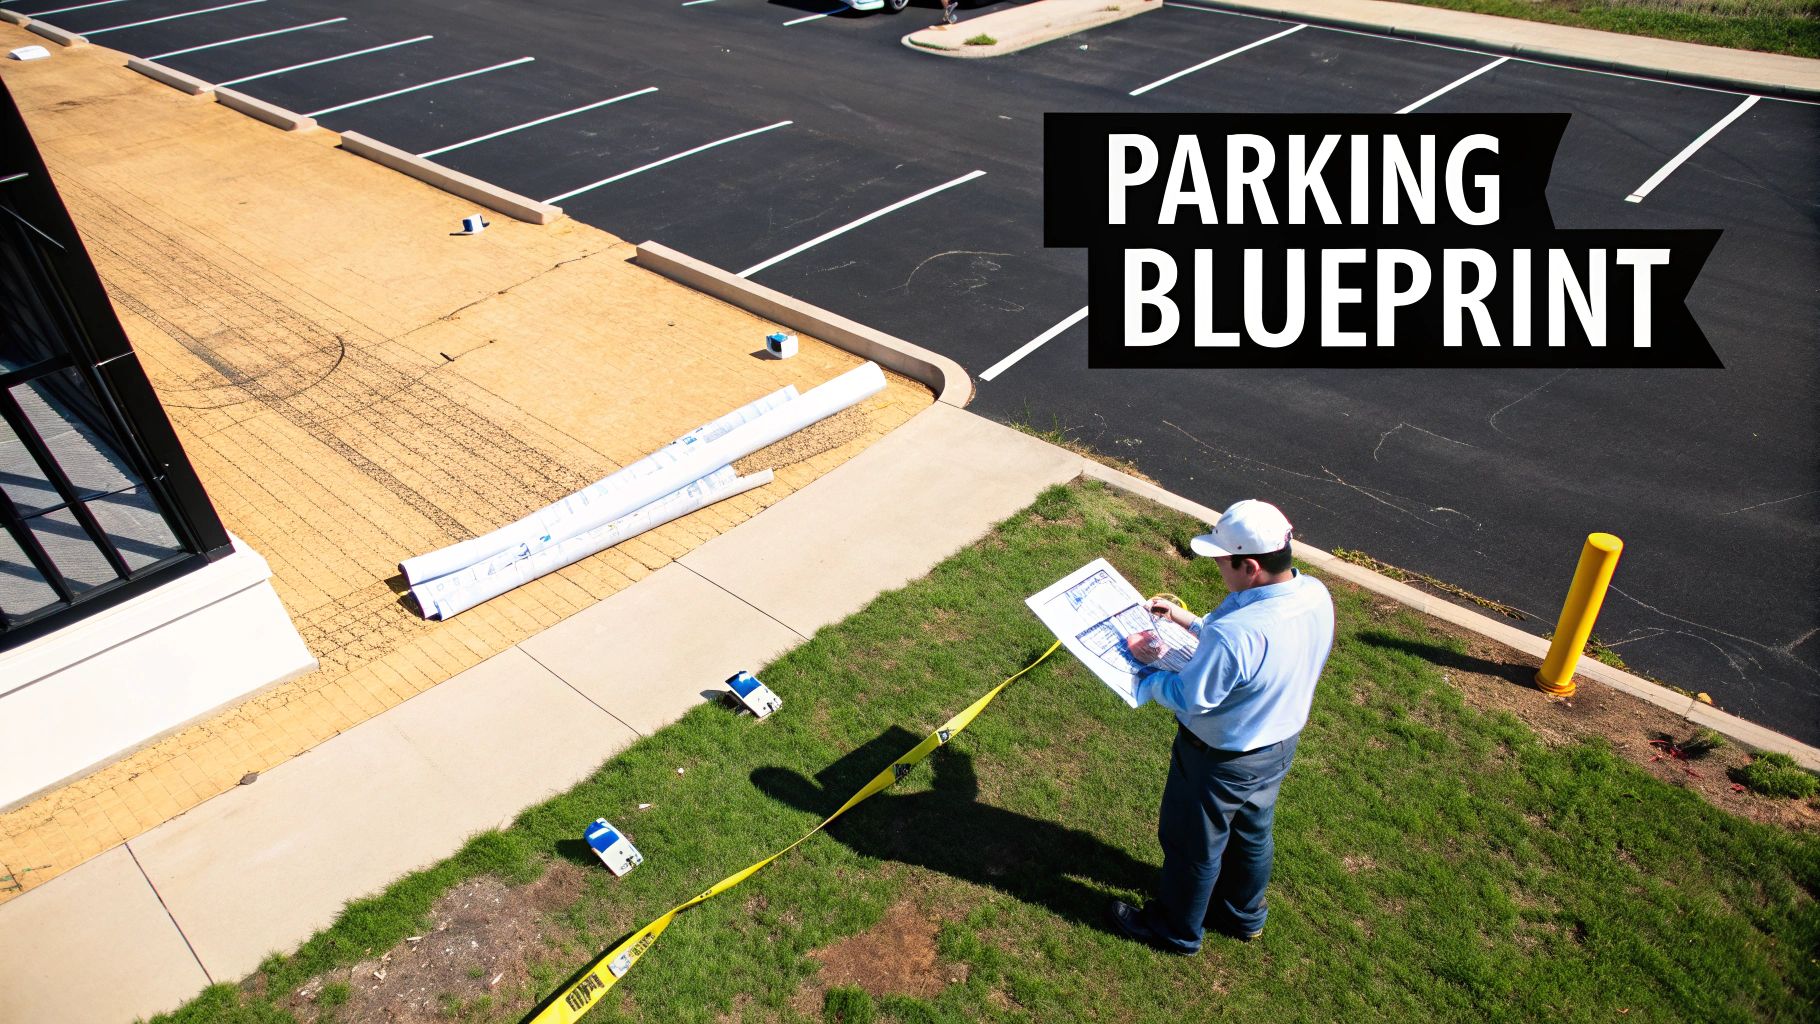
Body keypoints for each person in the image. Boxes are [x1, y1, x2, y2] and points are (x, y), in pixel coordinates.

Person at [1109, 498, 1334, 955]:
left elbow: (1193, 696)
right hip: (1276, 745)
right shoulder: (1314, 592)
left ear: (1250, 566)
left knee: (1192, 844)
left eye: (1220, 561)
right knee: (1252, 833)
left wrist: (1148, 673)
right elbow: (1245, 640)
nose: (1217, 570)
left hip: (1219, 757)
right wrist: (1189, 622)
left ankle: (1174, 930)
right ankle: (1242, 916)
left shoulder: (1239, 633)